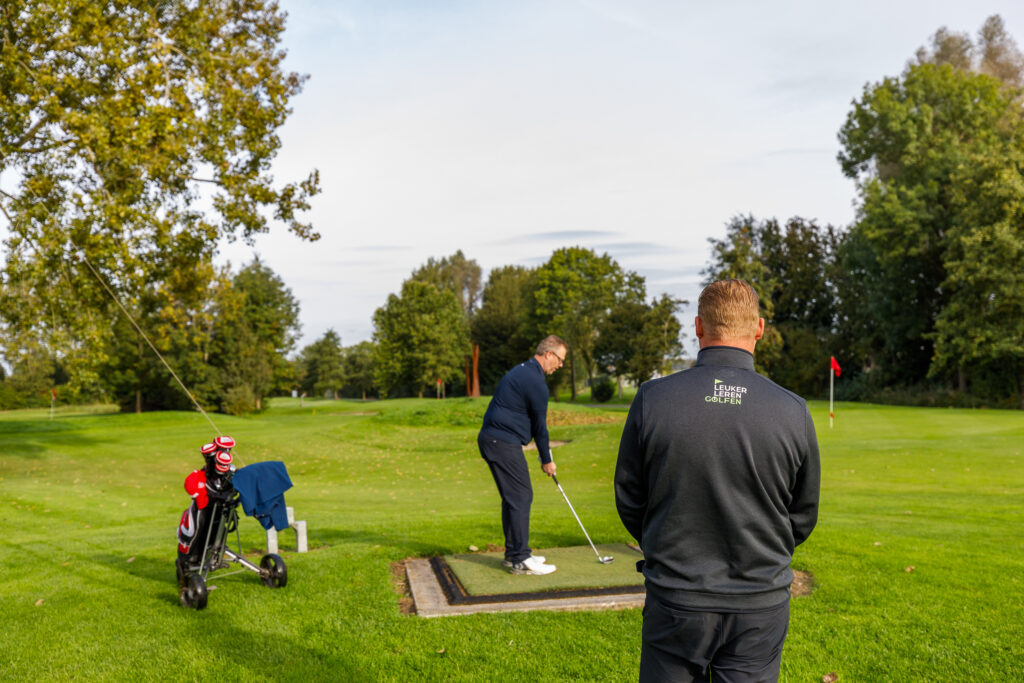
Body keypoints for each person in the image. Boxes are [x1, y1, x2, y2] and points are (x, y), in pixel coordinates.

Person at [615, 279, 820, 682]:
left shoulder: (654, 398)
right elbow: (803, 514)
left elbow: (630, 498)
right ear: (759, 328)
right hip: (757, 601)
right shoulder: (793, 410)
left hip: (677, 594)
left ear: (698, 327)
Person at [478, 334, 568, 575]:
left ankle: (514, 553)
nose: (560, 365)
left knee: (514, 498)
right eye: (559, 360)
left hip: (496, 440)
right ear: (549, 354)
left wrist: (542, 453)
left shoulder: (526, 372)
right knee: (520, 496)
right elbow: (540, 426)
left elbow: (530, 421)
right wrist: (547, 461)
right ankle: (520, 558)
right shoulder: (535, 381)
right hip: (500, 442)